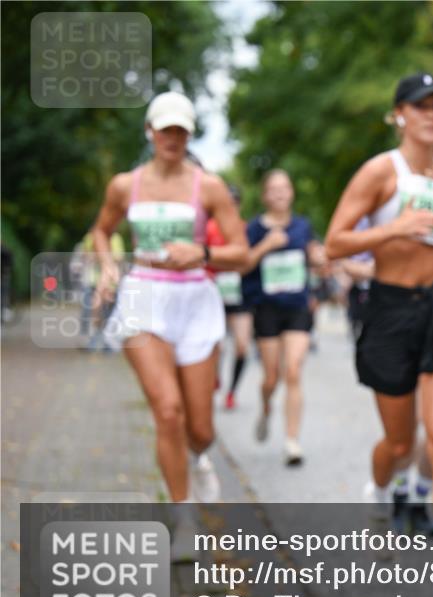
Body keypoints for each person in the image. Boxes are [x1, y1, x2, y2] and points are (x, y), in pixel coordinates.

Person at [325, 72, 433, 597]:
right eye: (421, 105)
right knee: (400, 446)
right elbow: (334, 243)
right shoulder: (380, 171)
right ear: (399, 113)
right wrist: (394, 229)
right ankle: (379, 496)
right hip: (391, 311)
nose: (431, 114)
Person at [92, 92, 247, 559]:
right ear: (150, 132)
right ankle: (184, 520)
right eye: (165, 130)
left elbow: (241, 253)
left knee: (200, 428)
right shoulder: (125, 185)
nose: (173, 138)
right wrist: (108, 267)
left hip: (195, 300)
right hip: (144, 296)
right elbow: (102, 230)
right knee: (168, 411)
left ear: (190, 134)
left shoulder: (210, 188)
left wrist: (203, 252)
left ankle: (199, 457)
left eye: (181, 130)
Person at [242, 169, 324, 466]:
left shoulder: (302, 226)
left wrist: (317, 258)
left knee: (293, 371)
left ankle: (292, 441)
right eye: (274, 189)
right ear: (265, 195)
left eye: (284, 188)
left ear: (291, 193)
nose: (279, 193)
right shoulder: (254, 228)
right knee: (271, 377)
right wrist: (266, 245)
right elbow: (243, 265)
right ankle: (266, 406)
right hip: (267, 309)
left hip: (297, 306)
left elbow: (313, 257)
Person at [205, 185, 253, 411]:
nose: (230, 208)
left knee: (242, 346)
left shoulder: (245, 228)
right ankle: (214, 376)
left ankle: (232, 391)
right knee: (217, 346)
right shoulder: (208, 228)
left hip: (239, 293)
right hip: (213, 291)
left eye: (235, 203)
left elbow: (249, 260)